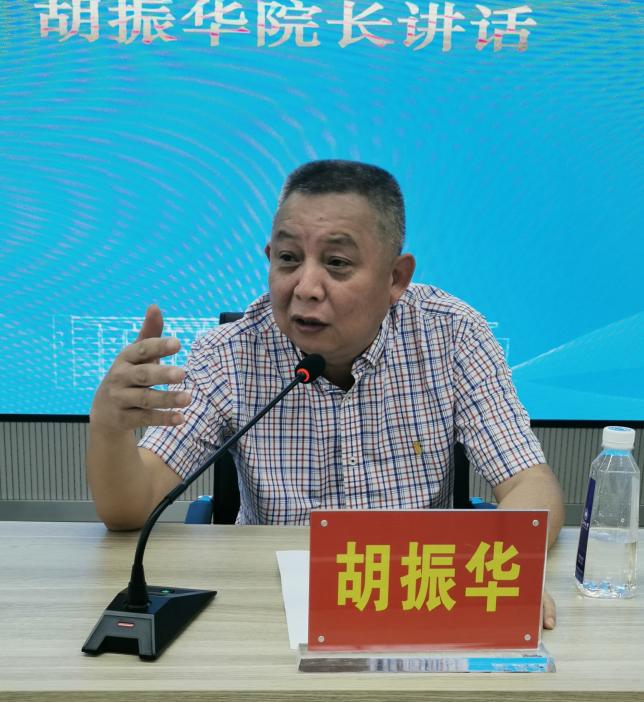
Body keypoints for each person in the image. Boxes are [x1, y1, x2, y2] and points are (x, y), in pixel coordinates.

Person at [87, 159, 565, 628]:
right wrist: (109, 428)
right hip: (270, 606)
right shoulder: (229, 354)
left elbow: (530, 484)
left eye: (337, 263)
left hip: (417, 598)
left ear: (395, 278)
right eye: (289, 259)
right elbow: (131, 509)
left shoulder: (451, 335)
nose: (306, 287)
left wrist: (501, 565)